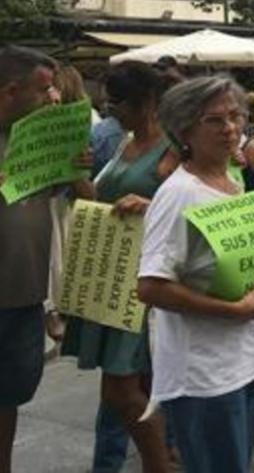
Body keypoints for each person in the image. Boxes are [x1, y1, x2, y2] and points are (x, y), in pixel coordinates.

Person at [136, 76, 254, 473]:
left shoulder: (232, 180)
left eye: (236, 117)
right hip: (207, 374)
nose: (231, 129)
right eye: (214, 121)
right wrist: (232, 311)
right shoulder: (179, 193)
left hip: (249, 360)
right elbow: (150, 285)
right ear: (185, 130)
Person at [62, 62, 179, 473]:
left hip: (144, 281)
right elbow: (102, 204)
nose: (112, 111)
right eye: (108, 103)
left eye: (119, 103)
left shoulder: (174, 148)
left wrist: (151, 206)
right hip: (111, 273)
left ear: (148, 101)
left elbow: (195, 205)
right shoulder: (124, 143)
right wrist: (77, 176)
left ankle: (158, 462)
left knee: (123, 387)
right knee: (125, 389)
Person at [0, 47, 90, 473]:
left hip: (23, 298)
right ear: (10, 92)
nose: (55, 98)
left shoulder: (38, 140)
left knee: (9, 396)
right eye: (44, 89)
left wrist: (75, 171)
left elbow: (79, 199)